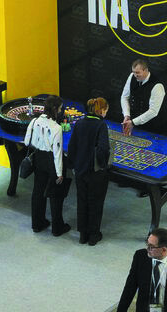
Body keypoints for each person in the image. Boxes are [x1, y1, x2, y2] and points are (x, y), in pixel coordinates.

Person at [116, 228, 167, 312]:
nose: (147, 249)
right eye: (147, 244)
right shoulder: (140, 257)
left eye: (151, 247)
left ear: (163, 249)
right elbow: (130, 287)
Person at [23, 96, 71, 236]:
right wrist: (59, 173)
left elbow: (26, 141)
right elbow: (57, 153)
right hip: (51, 161)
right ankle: (57, 228)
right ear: (55, 109)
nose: (61, 111)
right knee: (56, 195)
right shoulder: (56, 128)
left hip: (38, 158)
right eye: (60, 108)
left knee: (38, 192)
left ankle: (37, 224)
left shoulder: (34, 121)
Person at [67, 96, 112, 245]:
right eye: (106, 110)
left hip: (80, 170)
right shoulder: (101, 125)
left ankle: (82, 235)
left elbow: (72, 146)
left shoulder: (79, 123)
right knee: (95, 203)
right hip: (95, 172)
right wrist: (103, 165)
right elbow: (103, 149)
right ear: (101, 110)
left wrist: (73, 165)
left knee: (82, 201)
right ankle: (93, 235)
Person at [120, 58, 165, 135]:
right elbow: (124, 97)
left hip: (150, 128)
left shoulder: (157, 86)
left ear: (146, 70)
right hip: (132, 122)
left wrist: (133, 122)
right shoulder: (132, 76)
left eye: (137, 72)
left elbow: (153, 111)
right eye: (133, 72)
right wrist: (126, 115)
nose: (135, 75)